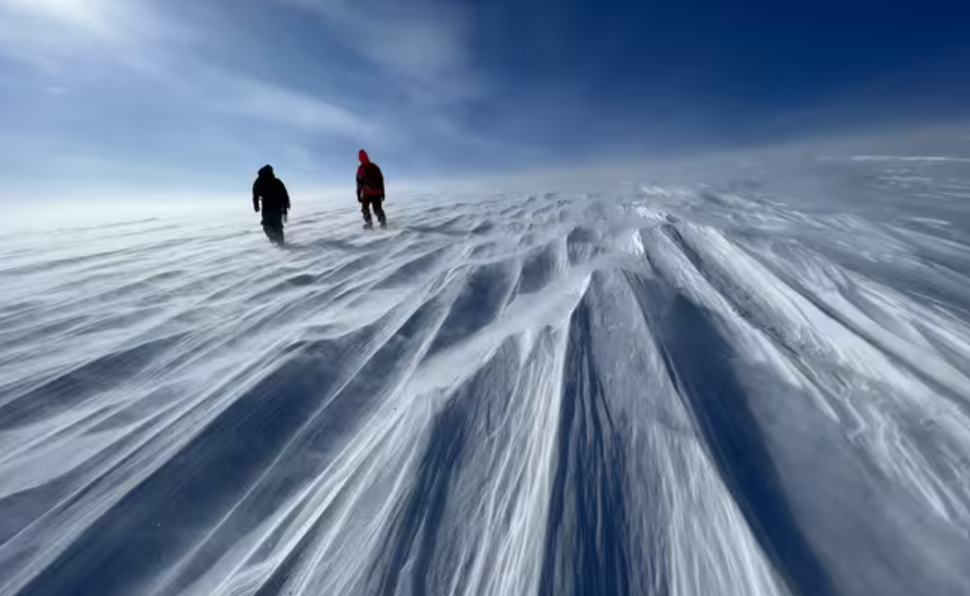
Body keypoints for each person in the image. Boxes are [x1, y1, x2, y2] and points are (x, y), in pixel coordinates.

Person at [252, 164, 291, 245]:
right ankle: (277, 242)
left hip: (276, 207)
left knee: (276, 226)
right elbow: (255, 194)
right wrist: (256, 205)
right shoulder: (259, 182)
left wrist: (285, 209)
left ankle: (280, 243)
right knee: (268, 226)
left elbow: (284, 195)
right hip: (267, 207)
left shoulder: (276, 182)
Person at [356, 149, 387, 229]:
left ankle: (369, 224)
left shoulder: (361, 168)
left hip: (367, 193)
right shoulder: (375, 166)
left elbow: (359, 182)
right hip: (377, 192)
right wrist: (382, 193)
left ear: (359, 158)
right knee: (377, 208)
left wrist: (359, 195)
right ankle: (383, 223)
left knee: (365, 209)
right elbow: (381, 180)